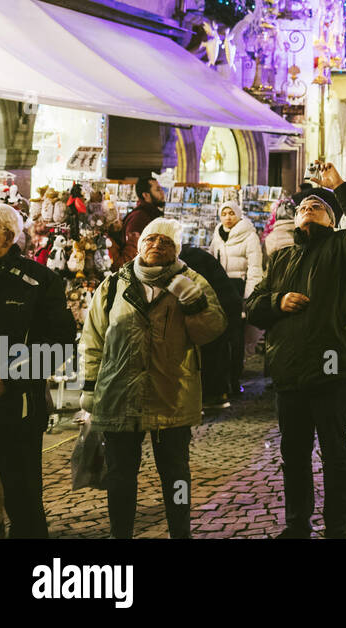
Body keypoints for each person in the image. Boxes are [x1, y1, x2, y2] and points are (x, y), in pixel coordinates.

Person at [246, 163, 346, 539]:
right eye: (304, 205)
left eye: (317, 206)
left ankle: (337, 524)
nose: (308, 207)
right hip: (289, 370)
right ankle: (297, 524)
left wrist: (337, 186)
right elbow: (254, 305)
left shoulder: (344, 247)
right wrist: (278, 301)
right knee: (294, 456)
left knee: (335, 454)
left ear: (333, 219)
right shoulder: (282, 258)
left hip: (333, 368)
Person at [82, 218, 226, 538]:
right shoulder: (113, 285)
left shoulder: (192, 281)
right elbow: (93, 340)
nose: (156, 246)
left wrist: (195, 304)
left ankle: (180, 532)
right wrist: (90, 389)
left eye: (165, 242)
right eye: (150, 239)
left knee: (176, 475)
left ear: (176, 249)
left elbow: (211, 331)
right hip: (120, 394)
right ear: (140, 244)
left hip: (171, 393)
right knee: (120, 475)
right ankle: (121, 533)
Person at [0, 201, 76, 538]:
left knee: (22, 501)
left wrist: (8, 378)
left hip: (18, 410)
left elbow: (61, 343)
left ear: (7, 237)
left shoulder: (39, 281)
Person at [209, 201, 264, 401]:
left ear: (238, 214)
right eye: (224, 213)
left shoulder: (249, 236)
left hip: (238, 288)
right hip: (220, 290)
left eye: (231, 213)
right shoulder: (217, 235)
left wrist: (249, 296)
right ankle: (223, 378)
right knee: (221, 334)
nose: (228, 217)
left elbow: (255, 268)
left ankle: (234, 377)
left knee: (236, 335)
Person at [181, 244, 243, 409]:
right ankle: (219, 391)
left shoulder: (190, 261)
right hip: (223, 308)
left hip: (216, 311)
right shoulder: (195, 256)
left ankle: (214, 393)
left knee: (211, 351)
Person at [119, 175, 167, 265]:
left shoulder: (148, 213)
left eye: (161, 189)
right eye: (158, 190)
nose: (162, 193)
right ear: (146, 195)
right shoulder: (140, 217)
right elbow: (132, 251)